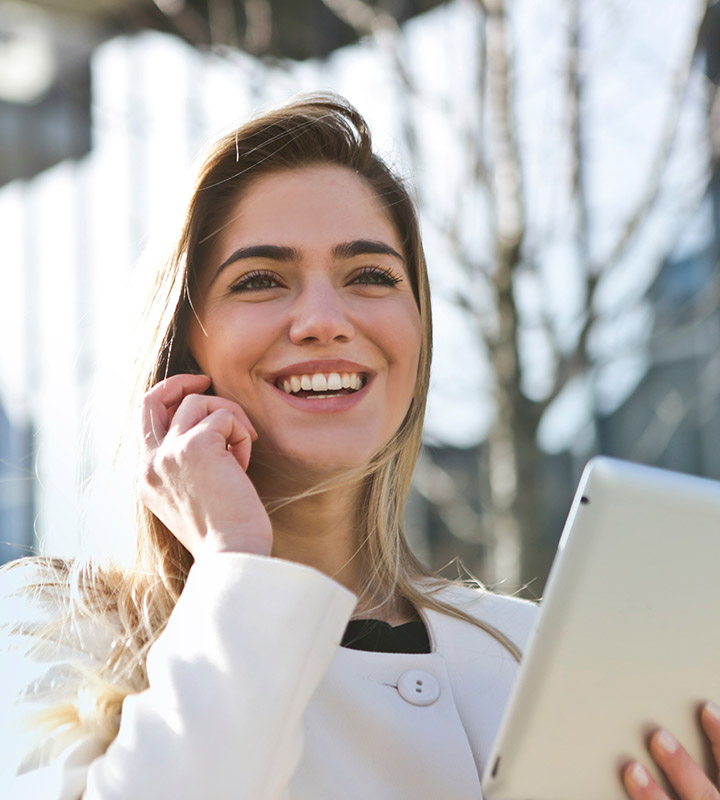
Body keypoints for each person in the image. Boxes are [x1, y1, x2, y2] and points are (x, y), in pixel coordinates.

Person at [0, 93, 718, 800]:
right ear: (182, 348)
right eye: (260, 280)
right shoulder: (53, 629)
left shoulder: (536, 654)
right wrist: (235, 563)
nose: (323, 320)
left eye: (370, 275)